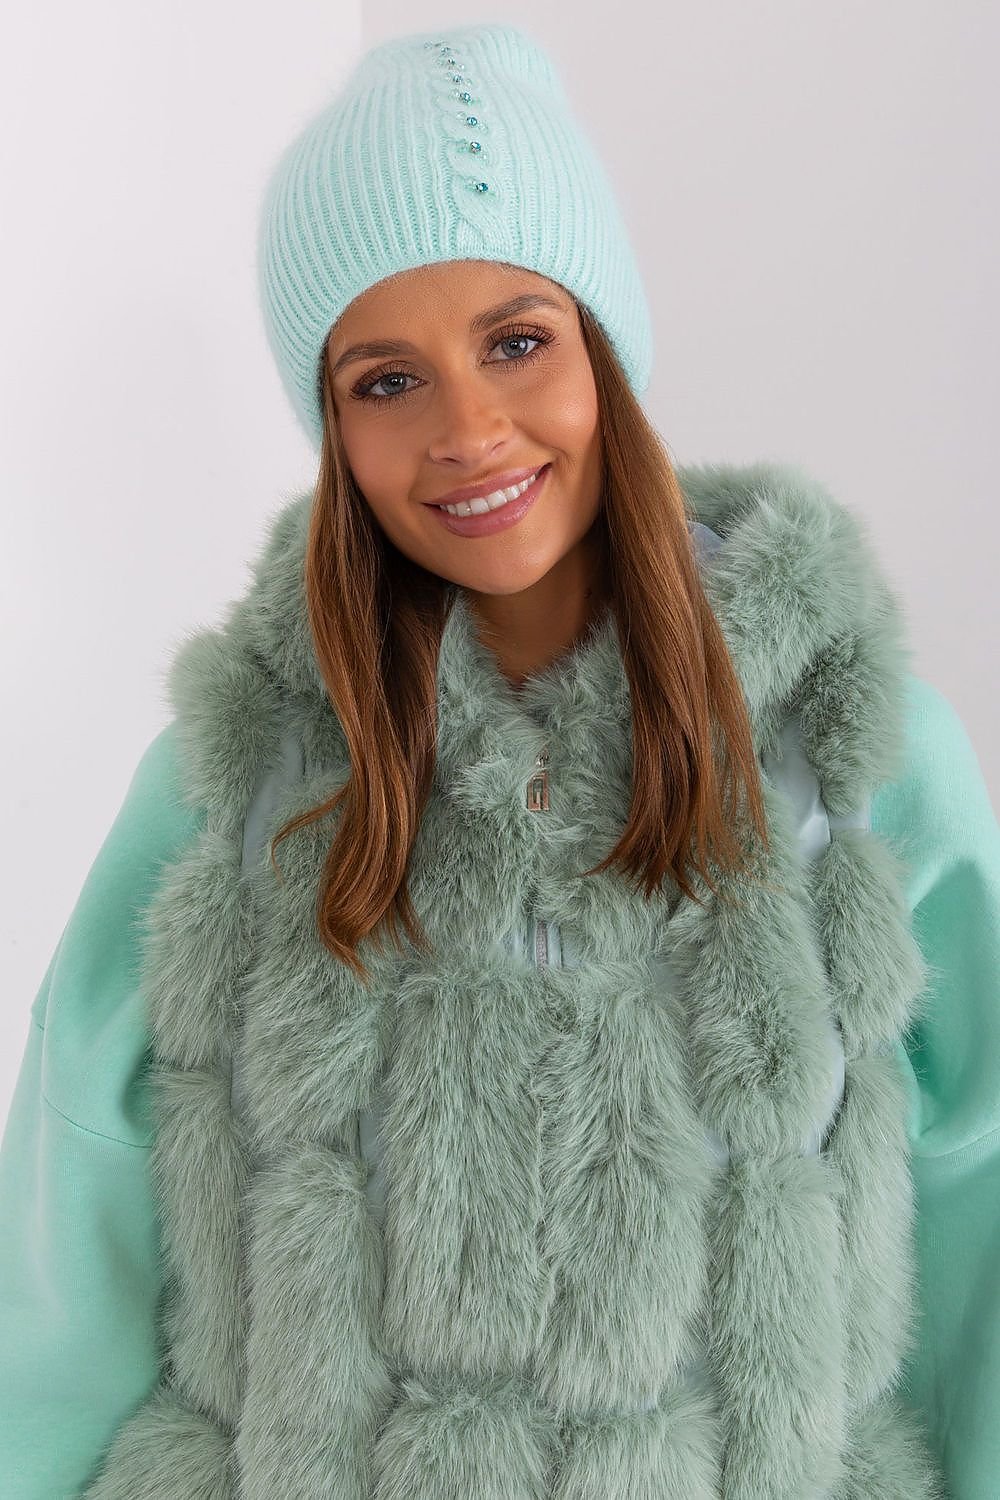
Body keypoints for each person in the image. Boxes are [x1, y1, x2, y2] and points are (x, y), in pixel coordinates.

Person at [1, 22, 998, 1500]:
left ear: (602, 349)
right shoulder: (236, 782)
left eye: (517, 342)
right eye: (384, 380)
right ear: (331, 424)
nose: (468, 430)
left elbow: (979, 1197)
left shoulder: (856, 762)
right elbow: (72, 1231)